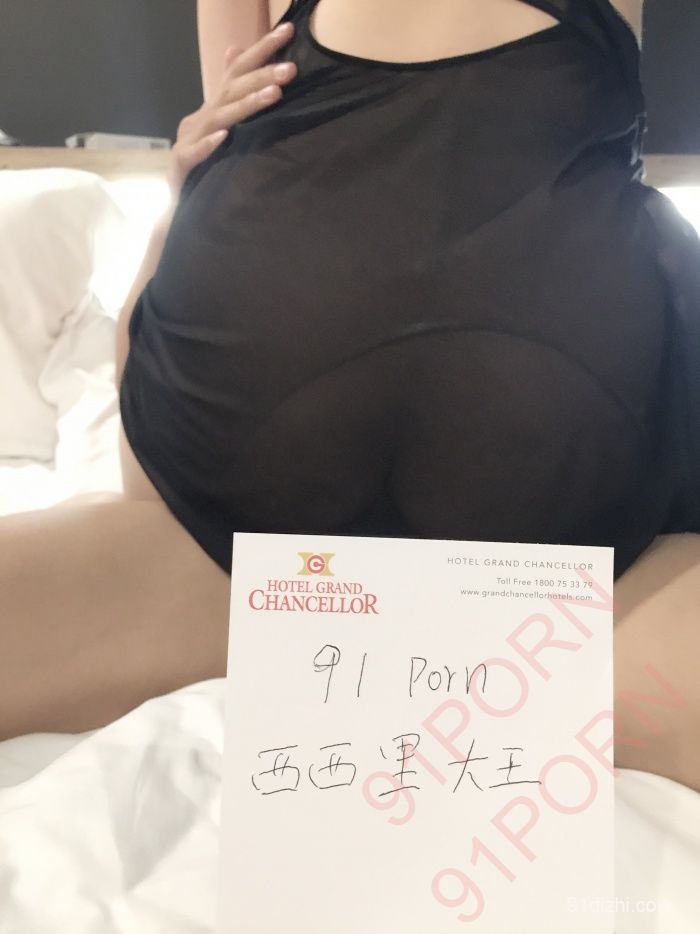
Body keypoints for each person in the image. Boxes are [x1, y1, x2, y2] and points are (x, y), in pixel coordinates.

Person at [2, 0, 699, 796]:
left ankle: (316, 632)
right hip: (540, 444)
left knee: (161, 518)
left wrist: (180, 206)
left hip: (251, 456)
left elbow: (230, 138)